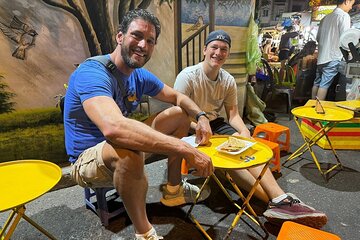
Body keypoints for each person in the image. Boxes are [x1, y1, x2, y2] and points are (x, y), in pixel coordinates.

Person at [64, 9, 214, 240]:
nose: (143, 45)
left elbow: (177, 97)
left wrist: (201, 116)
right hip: (86, 159)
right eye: (137, 36)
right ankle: (144, 234)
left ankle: (173, 189)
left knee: (181, 115)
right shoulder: (93, 72)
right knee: (127, 152)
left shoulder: (138, 75)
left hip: (115, 142)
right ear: (120, 37)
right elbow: (114, 128)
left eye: (150, 41)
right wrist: (185, 149)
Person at [174, 30, 328, 229]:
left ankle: (279, 201)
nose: (218, 53)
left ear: (227, 54)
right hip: (190, 125)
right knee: (233, 159)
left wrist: (245, 133)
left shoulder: (227, 79)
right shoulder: (188, 76)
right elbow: (177, 115)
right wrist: (201, 127)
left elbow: (234, 115)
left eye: (223, 49)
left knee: (248, 148)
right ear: (205, 49)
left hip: (216, 124)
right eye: (214, 47)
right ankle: (279, 202)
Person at [312, 0, 355, 100]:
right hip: (333, 57)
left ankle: (311, 105)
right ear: (346, 1)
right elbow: (345, 38)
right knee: (324, 84)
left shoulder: (325, 18)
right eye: (351, 4)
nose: (351, 8)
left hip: (321, 57)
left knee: (317, 82)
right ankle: (317, 110)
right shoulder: (344, 16)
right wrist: (350, 53)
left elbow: (318, 38)